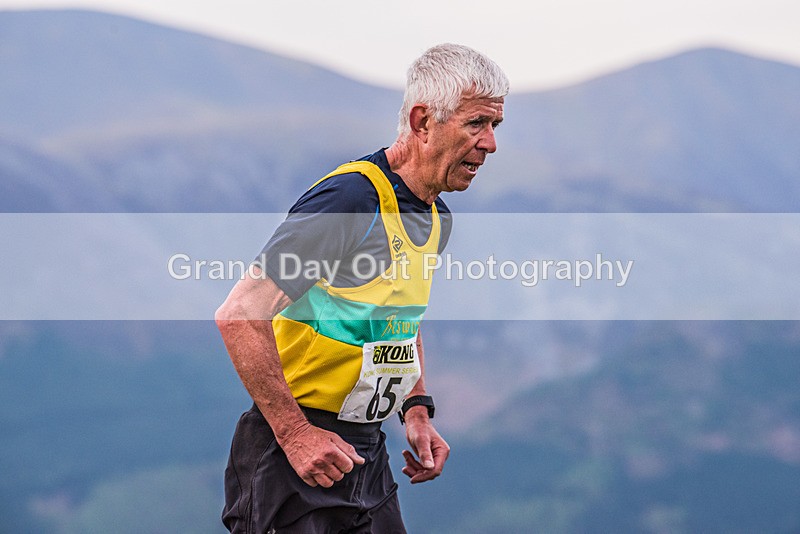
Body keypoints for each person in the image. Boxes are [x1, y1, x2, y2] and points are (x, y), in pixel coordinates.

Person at [216, 43, 508, 533]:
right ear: (422, 121)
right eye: (476, 123)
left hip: (365, 452)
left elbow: (399, 318)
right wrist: (296, 434)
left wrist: (416, 410)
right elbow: (240, 313)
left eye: (495, 125)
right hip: (292, 455)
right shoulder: (350, 199)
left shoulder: (436, 216)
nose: (490, 143)